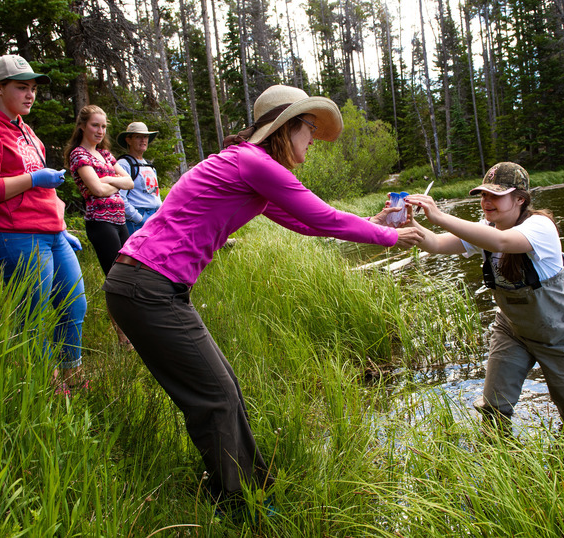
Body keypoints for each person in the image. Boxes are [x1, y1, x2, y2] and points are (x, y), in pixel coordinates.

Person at [103, 85, 424, 510]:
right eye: (309, 128)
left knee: (222, 388)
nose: (313, 139)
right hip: (148, 287)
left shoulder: (246, 166)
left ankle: (245, 488)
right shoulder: (255, 164)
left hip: (145, 285)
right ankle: (241, 503)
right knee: (215, 395)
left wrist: (374, 220)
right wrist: (391, 235)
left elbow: (308, 223)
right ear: (286, 126)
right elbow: (323, 216)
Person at [405, 162, 564, 448]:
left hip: (559, 335)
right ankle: (497, 463)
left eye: (495, 195)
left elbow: (503, 242)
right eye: (483, 195)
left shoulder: (540, 227)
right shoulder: (485, 228)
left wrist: (440, 216)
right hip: (512, 330)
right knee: (494, 410)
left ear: (520, 199)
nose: (486, 202)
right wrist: (406, 222)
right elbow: (435, 244)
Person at [0, 54, 87, 392]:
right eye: (21, 87)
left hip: (50, 233)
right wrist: (33, 179)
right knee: (33, 314)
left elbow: (44, 194)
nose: (30, 95)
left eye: (33, 89)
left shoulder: (26, 131)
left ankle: (71, 371)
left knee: (74, 304)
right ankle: (48, 383)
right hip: (15, 235)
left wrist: (61, 226)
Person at [64, 105, 135, 347]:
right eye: (95, 125)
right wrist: (113, 183)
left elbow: (130, 183)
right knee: (116, 279)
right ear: (82, 125)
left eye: (104, 126)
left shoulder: (104, 155)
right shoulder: (78, 154)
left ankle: (134, 329)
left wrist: (107, 180)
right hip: (101, 223)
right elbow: (96, 190)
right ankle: (123, 337)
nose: (100, 131)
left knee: (130, 274)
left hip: (120, 220)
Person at [116, 122, 162, 234]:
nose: (143, 140)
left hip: (155, 216)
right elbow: (121, 198)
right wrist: (139, 218)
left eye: (145, 137)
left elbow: (155, 193)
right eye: (138, 137)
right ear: (128, 140)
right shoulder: (123, 164)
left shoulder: (149, 165)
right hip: (137, 219)